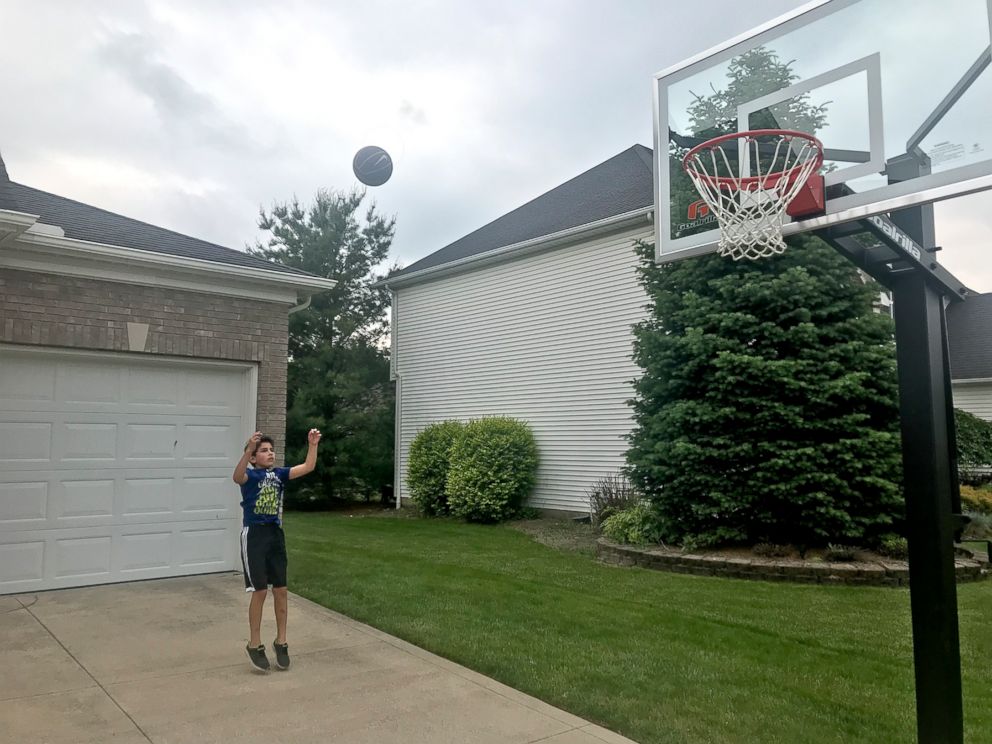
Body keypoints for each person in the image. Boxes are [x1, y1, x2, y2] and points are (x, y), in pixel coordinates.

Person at [233, 428, 321, 672]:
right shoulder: (249, 477)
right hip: (255, 535)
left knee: (281, 589)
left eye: (271, 450)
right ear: (253, 457)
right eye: (264, 450)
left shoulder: (279, 474)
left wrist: (312, 445)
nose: (270, 453)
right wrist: (249, 448)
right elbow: (236, 476)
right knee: (260, 591)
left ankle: (281, 641)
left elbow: (307, 467)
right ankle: (254, 643)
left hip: (274, 534)